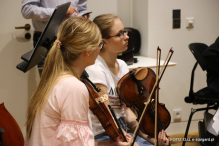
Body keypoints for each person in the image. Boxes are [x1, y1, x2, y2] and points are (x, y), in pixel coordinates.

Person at [85, 14, 170, 146]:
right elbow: (108, 117)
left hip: (122, 130)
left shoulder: (123, 66)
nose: (127, 36)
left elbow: (125, 112)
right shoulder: (96, 70)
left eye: (125, 31)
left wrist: (149, 138)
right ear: (104, 42)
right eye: (120, 34)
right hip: (103, 136)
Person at [24, 16, 102, 146]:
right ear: (88, 51)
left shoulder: (56, 79)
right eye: (100, 44)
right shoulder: (74, 87)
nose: (101, 49)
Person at [21, 0, 90, 76]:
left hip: (74, 37)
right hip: (48, 40)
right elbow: (27, 10)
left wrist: (83, 15)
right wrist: (59, 12)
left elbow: (81, 8)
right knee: (50, 83)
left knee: (76, 78)